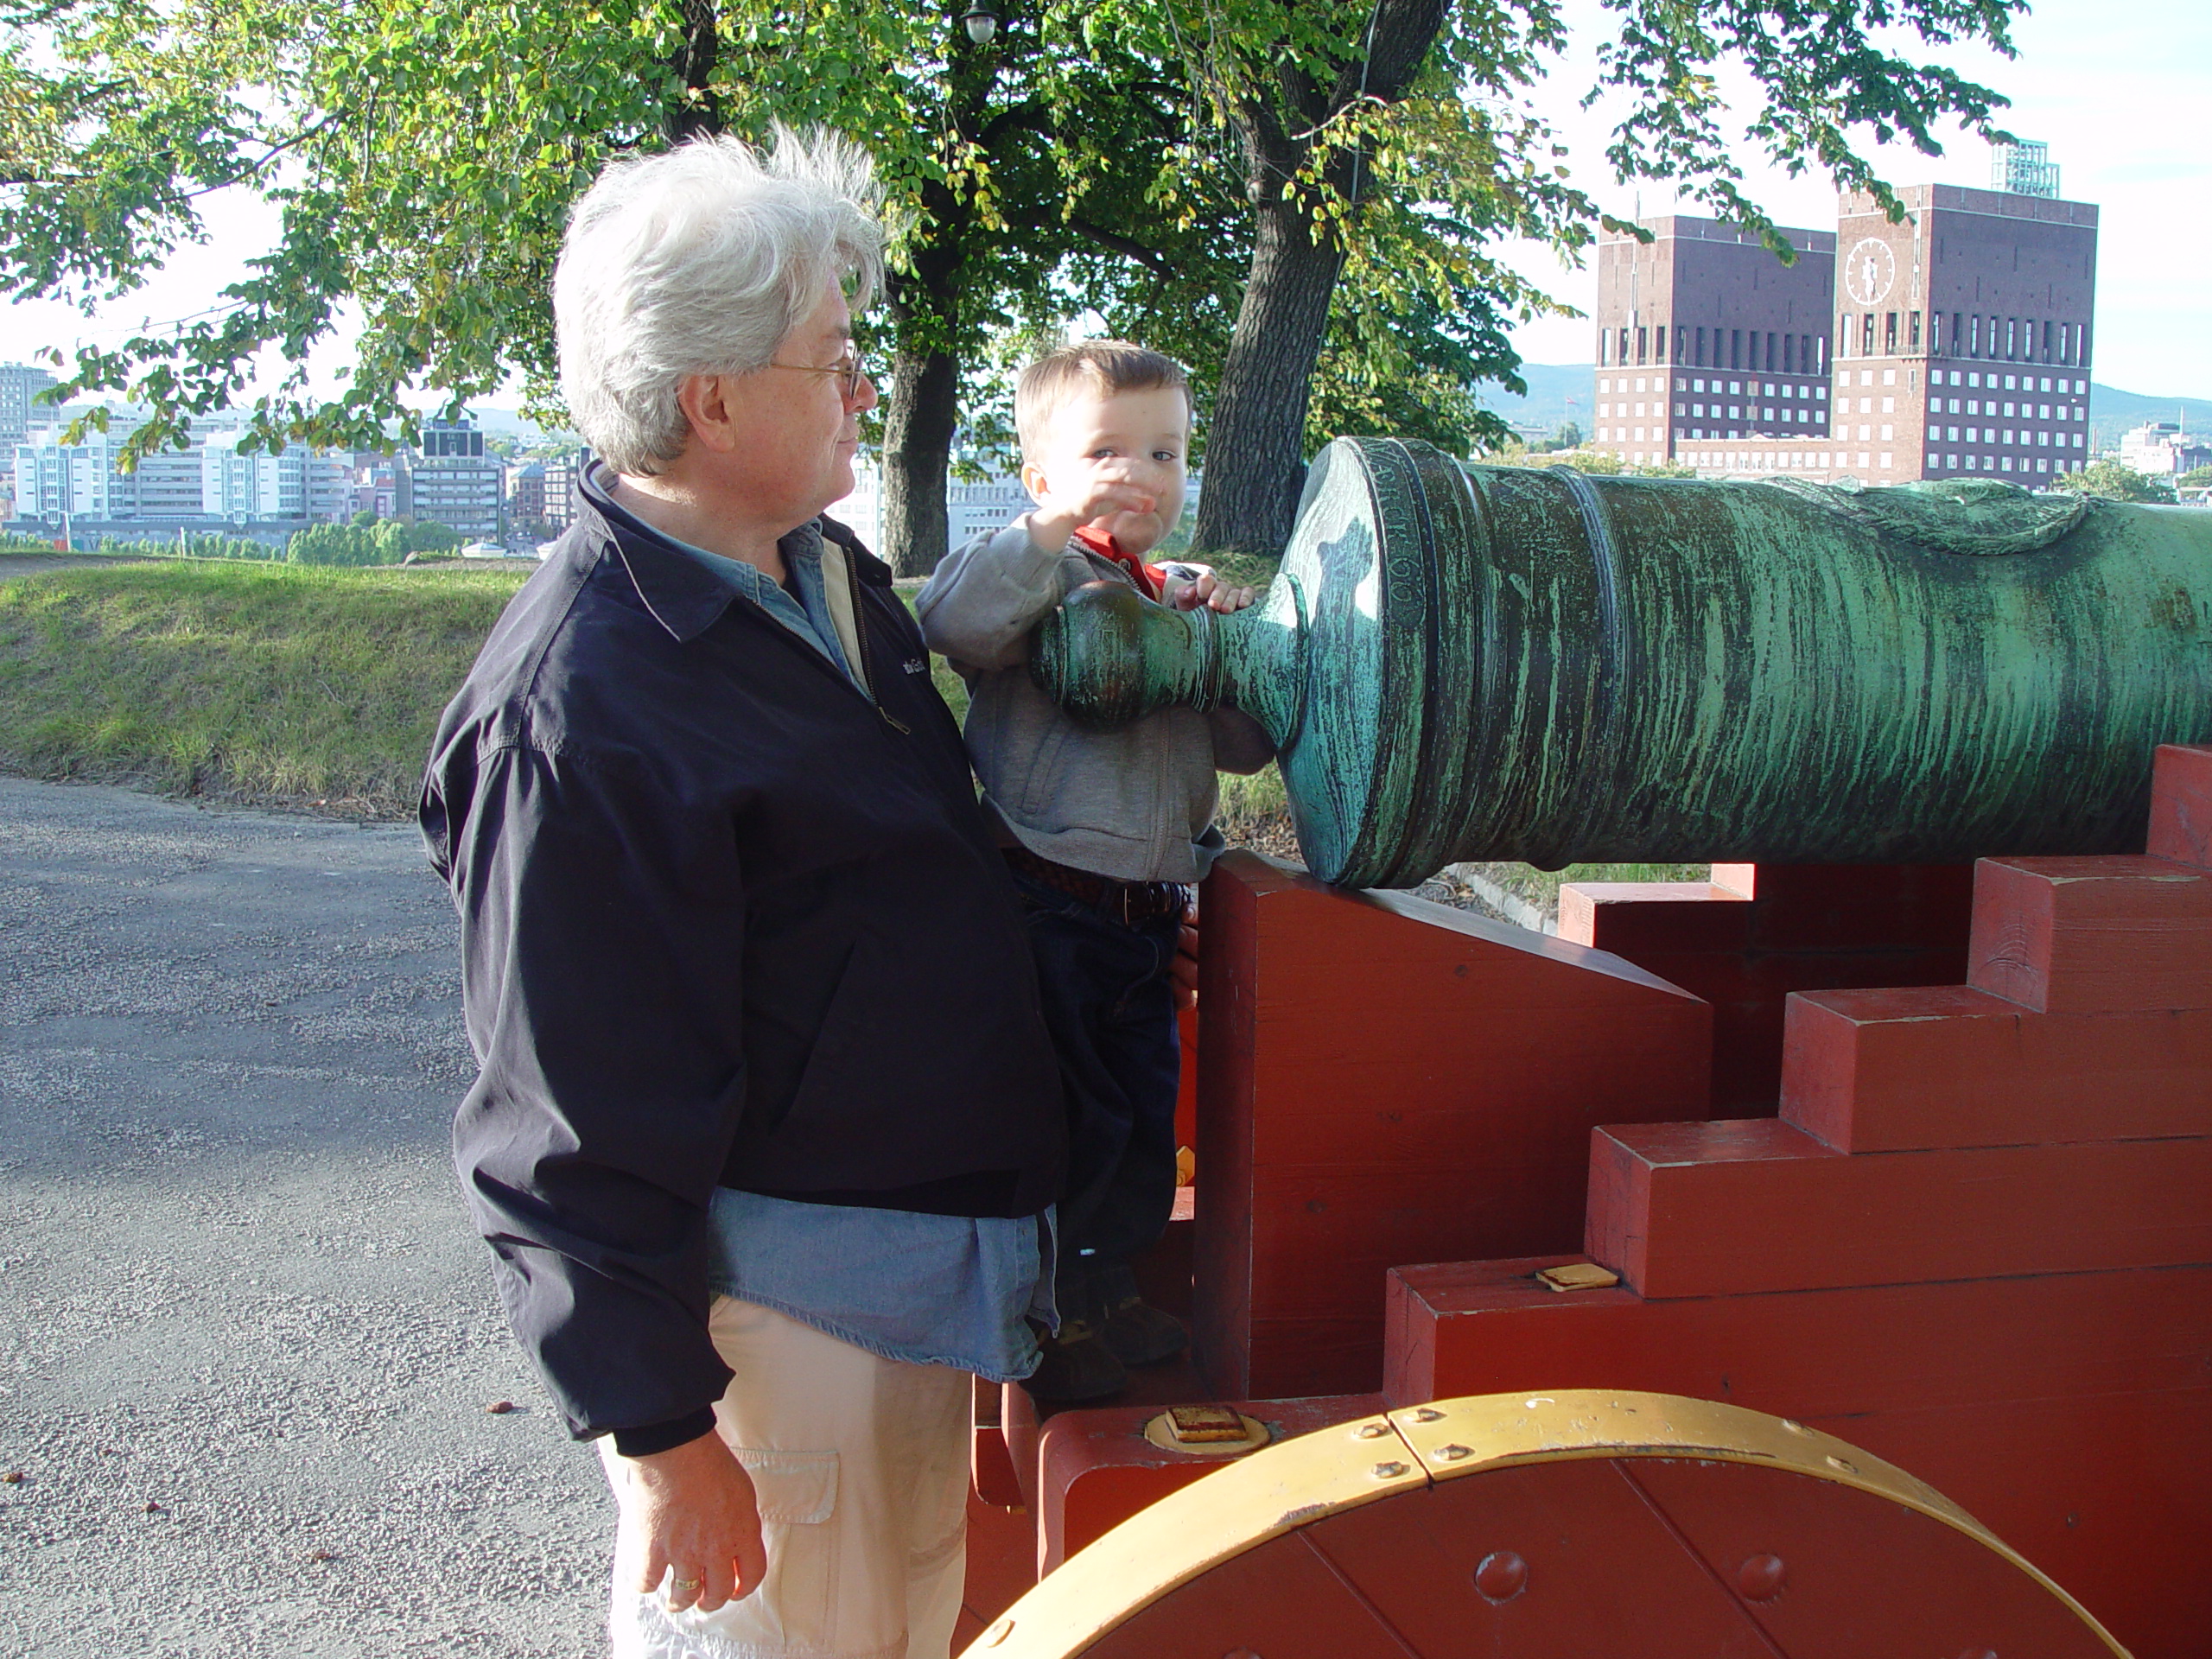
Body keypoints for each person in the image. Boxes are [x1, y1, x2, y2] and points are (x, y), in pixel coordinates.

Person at [419, 129, 1065, 1659]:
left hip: (902, 1303)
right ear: (709, 399)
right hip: (769, 1357)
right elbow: (564, 1115)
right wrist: (658, 1437)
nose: (864, 386)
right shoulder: (580, 712)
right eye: (833, 357)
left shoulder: (815, 571)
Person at [915, 343, 1274, 1402]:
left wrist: (1224, 645)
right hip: (1047, 901)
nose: (1140, 474)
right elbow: (953, 621)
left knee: (1138, 1117)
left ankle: (1107, 1281)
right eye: (1106, 451)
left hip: (1145, 913)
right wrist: (1048, 528)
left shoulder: (1170, 598)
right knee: (1061, 1121)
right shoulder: (1036, 577)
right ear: (1041, 478)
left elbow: (1244, 747)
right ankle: (1044, 1316)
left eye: (1164, 452)